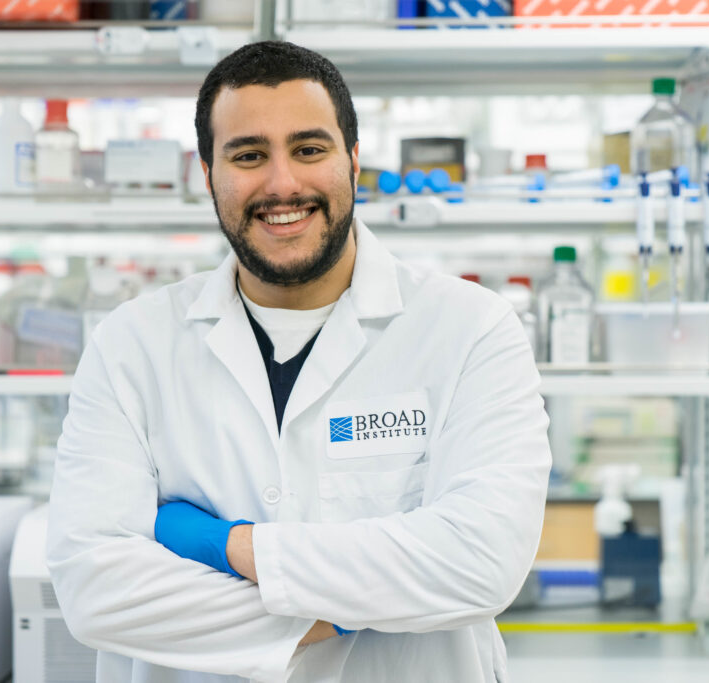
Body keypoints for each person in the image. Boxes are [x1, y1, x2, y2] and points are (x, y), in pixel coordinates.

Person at [47, 41, 551, 683]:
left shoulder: (469, 329)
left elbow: (479, 563)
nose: (282, 184)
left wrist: (227, 545)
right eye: (249, 155)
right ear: (208, 175)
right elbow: (95, 590)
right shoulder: (133, 344)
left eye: (309, 150)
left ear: (353, 163)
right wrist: (353, 608)